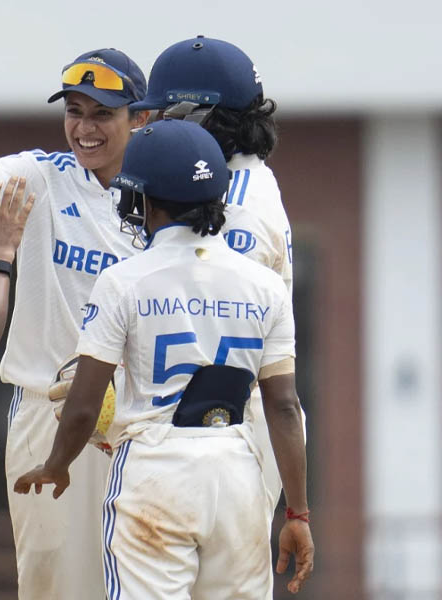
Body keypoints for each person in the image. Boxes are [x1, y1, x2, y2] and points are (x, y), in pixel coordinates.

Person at [14, 119, 314, 598]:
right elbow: (283, 407)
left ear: (142, 198)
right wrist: (297, 512)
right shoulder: (265, 286)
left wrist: (57, 463)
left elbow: (85, 403)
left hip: (154, 470)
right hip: (236, 470)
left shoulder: (122, 281)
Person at [0, 48, 148, 599]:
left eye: (103, 114)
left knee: (140, 577)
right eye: (75, 111)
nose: (85, 128)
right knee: (51, 581)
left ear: (141, 118)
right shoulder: (43, 176)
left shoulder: (163, 192)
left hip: (139, 416)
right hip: (47, 409)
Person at [126, 35, 300, 528]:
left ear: (199, 115)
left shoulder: (235, 210)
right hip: (219, 427)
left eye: (165, 113)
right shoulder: (238, 178)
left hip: (223, 424)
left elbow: (213, 337)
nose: (154, 125)